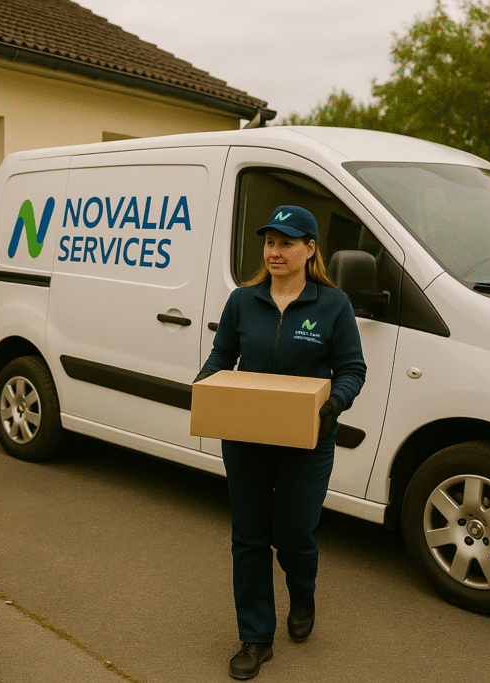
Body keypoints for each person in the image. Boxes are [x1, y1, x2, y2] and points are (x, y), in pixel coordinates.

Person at [195, 205, 366, 680]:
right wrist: (207, 383)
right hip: (246, 438)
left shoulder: (333, 305)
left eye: (287, 242)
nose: (275, 251)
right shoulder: (242, 302)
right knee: (248, 538)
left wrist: (337, 402)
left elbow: (352, 369)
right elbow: (221, 355)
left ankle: (303, 590)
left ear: (310, 249)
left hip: (306, 441)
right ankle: (255, 637)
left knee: (293, 534)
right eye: (270, 242)